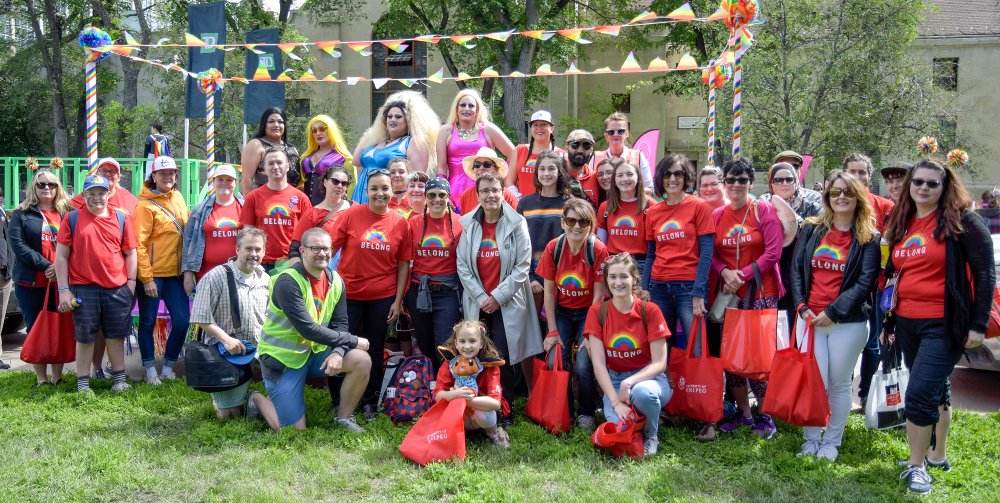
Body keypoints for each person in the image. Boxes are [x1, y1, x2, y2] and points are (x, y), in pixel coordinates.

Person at [883, 159, 994, 494]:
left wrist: (977, 325)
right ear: (909, 185)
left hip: (945, 324)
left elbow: (986, 274)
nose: (924, 188)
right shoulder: (903, 222)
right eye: (918, 181)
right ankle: (937, 454)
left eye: (933, 183)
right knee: (934, 387)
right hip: (906, 322)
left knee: (918, 392)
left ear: (946, 187)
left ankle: (916, 467)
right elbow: (895, 270)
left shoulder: (963, 222)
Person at [790, 171, 881, 461]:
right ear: (827, 197)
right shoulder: (811, 229)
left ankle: (832, 441)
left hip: (847, 323)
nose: (841, 197)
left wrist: (833, 311)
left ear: (858, 197)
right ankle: (811, 438)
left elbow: (865, 281)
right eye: (835, 192)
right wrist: (802, 306)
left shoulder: (868, 237)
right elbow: (795, 271)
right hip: (810, 320)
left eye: (848, 192)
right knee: (815, 381)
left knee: (839, 383)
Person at [258, 227, 372, 431]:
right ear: (302, 251)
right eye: (315, 248)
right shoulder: (288, 281)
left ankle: (344, 418)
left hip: (315, 353)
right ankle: (256, 399)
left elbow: (341, 323)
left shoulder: (336, 280)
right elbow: (308, 329)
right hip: (283, 359)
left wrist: (338, 351)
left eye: (326, 249)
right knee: (294, 430)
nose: (322, 253)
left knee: (361, 360)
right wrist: (353, 341)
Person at [457, 171, 543, 422]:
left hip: (508, 301)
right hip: (478, 301)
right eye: (485, 190)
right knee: (479, 351)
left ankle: (504, 407)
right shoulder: (469, 223)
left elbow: (522, 265)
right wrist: (482, 296)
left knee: (503, 356)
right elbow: (462, 265)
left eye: (495, 190)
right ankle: (480, 403)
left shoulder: (517, 223)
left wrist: (497, 297)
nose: (491, 195)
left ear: (503, 193)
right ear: (478, 194)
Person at [711, 158, 784, 440]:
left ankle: (766, 414)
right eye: (731, 180)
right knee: (733, 358)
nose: (737, 185)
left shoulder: (762, 210)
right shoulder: (718, 215)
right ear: (724, 184)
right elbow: (712, 253)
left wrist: (742, 274)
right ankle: (744, 414)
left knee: (760, 359)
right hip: (730, 298)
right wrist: (725, 272)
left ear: (751, 183)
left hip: (761, 295)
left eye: (743, 180)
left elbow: (774, 251)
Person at [331, 169, 412, 419]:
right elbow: (328, 248)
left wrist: (397, 301)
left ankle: (369, 402)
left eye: (384, 188)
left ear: (392, 190)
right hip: (349, 296)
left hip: (382, 297)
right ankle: (340, 400)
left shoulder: (400, 222)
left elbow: (403, 264)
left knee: (376, 349)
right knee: (343, 346)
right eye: (374, 188)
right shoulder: (350, 215)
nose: (380, 193)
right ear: (366, 191)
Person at [189, 226, 280, 430]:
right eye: (248, 249)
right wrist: (226, 339)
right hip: (226, 354)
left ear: (264, 252)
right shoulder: (215, 277)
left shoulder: (266, 280)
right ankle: (250, 399)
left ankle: (253, 396)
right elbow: (201, 317)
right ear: (237, 249)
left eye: (258, 250)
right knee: (229, 418)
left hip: (259, 350)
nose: (253, 254)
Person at [55, 174, 138, 394]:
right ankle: (83, 381)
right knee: (85, 336)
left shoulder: (121, 218)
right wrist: (63, 290)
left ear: (109, 193)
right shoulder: (72, 219)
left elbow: (131, 253)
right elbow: (61, 257)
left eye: (101, 193)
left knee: (116, 335)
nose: (97, 198)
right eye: (91, 194)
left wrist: (131, 282)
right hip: (84, 287)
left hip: (117, 288)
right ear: (84, 196)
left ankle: (119, 379)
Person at [585, 253, 672, 456]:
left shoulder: (649, 310)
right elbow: (598, 364)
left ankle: (651, 434)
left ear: (634, 279)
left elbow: (660, 363)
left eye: (624, 276)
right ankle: (642, 419)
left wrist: (629, 382)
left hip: (650, 379)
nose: (618, 282)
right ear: (606, 280)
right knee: (618, 428)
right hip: (614, 380)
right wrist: (615, 401)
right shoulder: (597, 312)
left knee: (644, 394)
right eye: (613, 277)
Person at [538, 199, 609, 431]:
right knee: (554, 358)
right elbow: (549, 293)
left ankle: (586, 412)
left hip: (589, 313)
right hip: (563, 312)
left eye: (583, 221)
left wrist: (589, 334)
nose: (576, 226)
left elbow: (599, 298)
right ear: (562, 222)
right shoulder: (554, 248)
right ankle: (564, 410)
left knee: (583, 363)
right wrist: (552, 331)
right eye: (571, 220)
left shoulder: (597, 249)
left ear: (591, 225)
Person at [842, 153, 897, 411]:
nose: (857, 176)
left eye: (862, 172)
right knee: (844, 338)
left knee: (874, 341)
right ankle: (839, 390)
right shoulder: (838, 203)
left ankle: (864, 396)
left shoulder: (885, 207)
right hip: (845, 285)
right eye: (852, 171)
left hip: (878, 285)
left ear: (869, 175)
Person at [643, 154, 715, 350]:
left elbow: (707, 251)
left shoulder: (699, 206)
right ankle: (667, 381)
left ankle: (698, 381)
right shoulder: (653, 212)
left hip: (689, 288)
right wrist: (645, 288)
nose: (672, 179)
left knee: (697, 347)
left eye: (678, 174)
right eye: (667, 174)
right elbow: (651, 254)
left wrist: (699, 291)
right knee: (661, 346)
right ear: (660, 178)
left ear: (686, 178)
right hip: (658, 287)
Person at [9, 170, 73, 384]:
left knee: (59, 327)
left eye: (52, 184)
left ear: (58, 188)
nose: (47, 188)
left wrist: (60, 269)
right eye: (41, 184)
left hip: (61, 283)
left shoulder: (67, 213)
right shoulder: (22, 214)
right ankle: (41, 378)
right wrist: (48, 265)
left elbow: (77, 243)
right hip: (31, 282)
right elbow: (18, 246)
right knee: (36, 327)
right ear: (33, 188)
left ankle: (57, 377)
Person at [134, 156, 191, 384]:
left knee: (182, 321)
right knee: (147, 323)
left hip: (176, 276)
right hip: (154, 276)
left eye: (172, 173)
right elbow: (138, 244)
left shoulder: (177, 196)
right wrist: (146, 279)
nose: (168, 177)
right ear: (153, 176)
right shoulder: (144, 207)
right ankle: (150, 371)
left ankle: (168, 368)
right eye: (163, 173)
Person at [405, 177, 462, 370]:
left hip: (447, 292)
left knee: (445, 343)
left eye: (441, 195)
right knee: (425, 343)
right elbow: (405, 260)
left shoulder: (460, 223)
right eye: (431, 195)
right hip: (419, 291)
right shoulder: (414, 222)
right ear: (425, 197)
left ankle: (446, 386)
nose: (437, 199)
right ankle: (431, 385)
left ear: (448, 197)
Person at [516, 151, 576, 320]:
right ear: (536, 173)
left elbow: (574, 241)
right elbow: (519, 243)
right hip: (531, 269)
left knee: (555, 323)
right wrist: (529, 277)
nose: (546, 173)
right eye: (542, 169)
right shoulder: (525, 203)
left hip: (560, 270)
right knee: (533, 326)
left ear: (559, 172)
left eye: (551, 169)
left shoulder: (569, 203)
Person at [434, 320, 511, 448]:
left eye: (472, 341)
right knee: (442, 409)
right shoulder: (449, 363)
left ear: (481, 343)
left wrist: (466, 399)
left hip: (478, 417)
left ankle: (493, 433)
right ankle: (454, 435)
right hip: (458, 415)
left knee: (486, 412)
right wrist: (453, 394)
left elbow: (496, 403)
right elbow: (437, 395)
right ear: (456, 344)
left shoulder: (490, 366)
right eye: (462, 341)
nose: (467, 346)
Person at [353, 91, 440, 203]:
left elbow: (417, 179)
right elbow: (356, 160)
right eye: (389, 116)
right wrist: (373, 131)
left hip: (388, 199)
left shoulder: (413, 142)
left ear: (408, 121)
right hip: (361, 193)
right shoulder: (376, 142)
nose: (392, 119)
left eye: (398, 117)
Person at [436, 88, 516, 208]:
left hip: (486, 190)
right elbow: (441, 169)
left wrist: (503, 178)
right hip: (454, 191)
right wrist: (443, 194)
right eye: (462, 105)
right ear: (456, 108)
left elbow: (515, 155)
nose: (466, 108)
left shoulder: (488, 129)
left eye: (471, 105)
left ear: (477, 109)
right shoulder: (446, 131)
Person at [239, 148, 313, 273]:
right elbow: (247, 233)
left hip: (291, 263)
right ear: (264, 168)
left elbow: (308, 234)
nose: (275, 166)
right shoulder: (253, 197)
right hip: (260, 263)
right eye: (271, 163)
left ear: (288, 166)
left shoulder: (301, 198)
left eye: (279, 162)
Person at [182, 164, 243, 293]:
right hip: (207, 276)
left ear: (235, 183)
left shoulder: (245, 207)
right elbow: (188, 242)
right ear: (213, 181)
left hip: (239, 276)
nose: (224, 183)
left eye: (229, 180)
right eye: (220, 179)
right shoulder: (199, 210)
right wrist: (188, 274)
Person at [287, 166, 354, 269]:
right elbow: (294, 250)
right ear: (325, 182)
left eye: (344, 183)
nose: (340, 186)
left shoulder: (355, 209)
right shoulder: (312, 213)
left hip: (352, 273)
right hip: (321, 272)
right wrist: (300, 275)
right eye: (335, 181)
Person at [597, 159, 649, 277]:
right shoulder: (605, 207)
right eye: (620, 175)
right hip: (613, 263)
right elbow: (601, 244)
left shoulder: (651, 206)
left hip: (641, 265)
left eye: (630, 174)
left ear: (638, 178)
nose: (625, 179)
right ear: (614, 180)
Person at [241, 107, 300, 195]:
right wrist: (248, 205)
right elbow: (246, 179)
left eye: (280, 122)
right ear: (264, 124)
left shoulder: (292, 148)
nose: (276, 125)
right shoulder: (256, 145)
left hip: (291, 201)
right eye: (271, 121)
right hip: (264, 200)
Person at [507, 110, 564, 198]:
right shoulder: (520, 150)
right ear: (531, 128)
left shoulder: (561, 154)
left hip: (550, 207)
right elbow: (509, 182)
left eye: (543, 125)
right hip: (521, 207)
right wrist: (518, 199)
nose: (539, 128)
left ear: (552, 128)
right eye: (535, 125)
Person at [301, 114, 354, 205]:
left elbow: (351, 186)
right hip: (307, 211)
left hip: (332, 211)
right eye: (314, 131)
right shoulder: (306, 157)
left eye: (322, 129)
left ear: (331, 130)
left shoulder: (343, 157)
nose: (318, 133)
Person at [594, 112, 653, 191]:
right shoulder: (595, 157)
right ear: (606, 136)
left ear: (627, 134)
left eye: (620, 131)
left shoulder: (638, 156)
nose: (615, 135)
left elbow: (649, 189)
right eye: (611, 132)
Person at [458, 147, 518, 215]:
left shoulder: (508, 196)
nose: (481, 168)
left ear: (496, 169)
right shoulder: (466, 196)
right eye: (477, 164)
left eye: (487, 164)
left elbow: (516, 223)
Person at [71, 158, 138, 216]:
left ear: (119, 177)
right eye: (103, 170)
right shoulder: (80, 200)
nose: (108, 174)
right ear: (96, 174)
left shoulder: (130, 200)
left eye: (113, 171)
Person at [563, 129, 601, 206]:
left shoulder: (597, 178)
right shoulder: (557, 176)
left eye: (586, 146)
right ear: (566, 148)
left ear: (591, 150)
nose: (580, 150)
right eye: (575, 145)